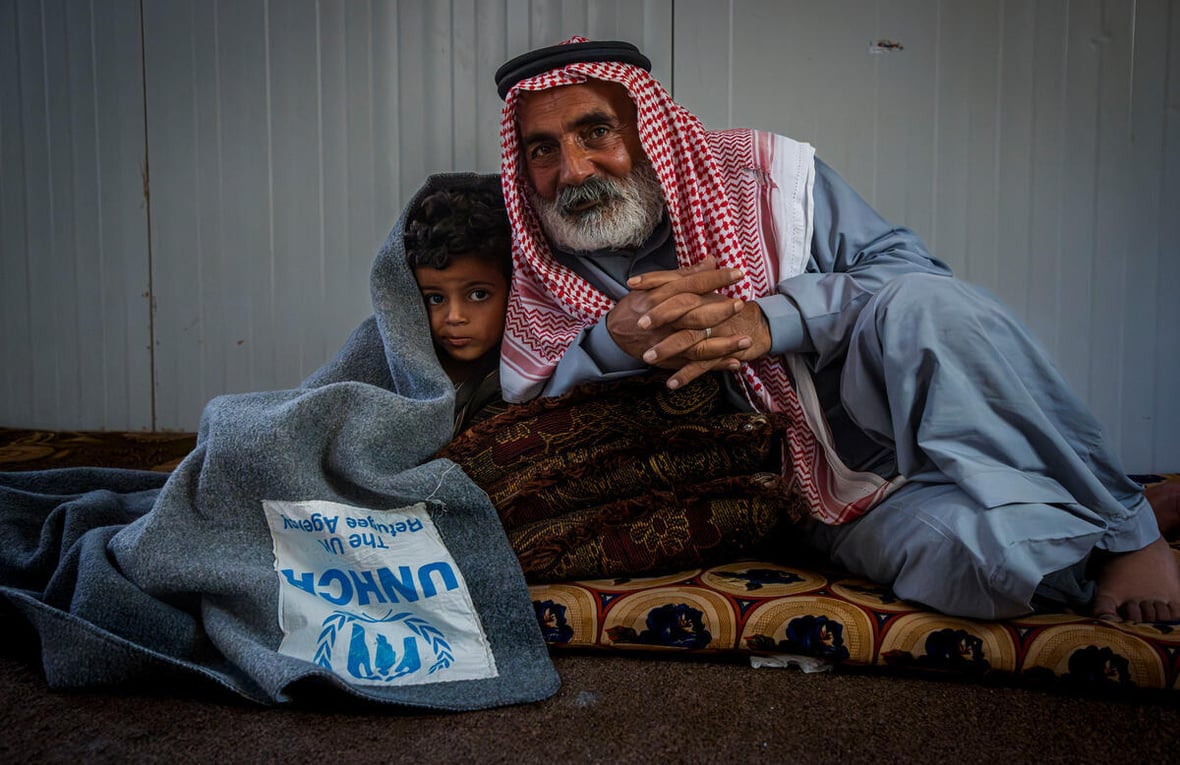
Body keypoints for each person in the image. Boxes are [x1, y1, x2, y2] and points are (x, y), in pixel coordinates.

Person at [490, 36, 1180, 623]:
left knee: (927, 309)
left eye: (595, 132)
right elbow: (529, 406)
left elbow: (915, 273)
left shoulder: (764, 176)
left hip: (889, 406)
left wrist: (772, 320)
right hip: (819, 503)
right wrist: (615, 339)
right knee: (988, 562)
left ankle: (1131, 528)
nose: (572, 171)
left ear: (647, 129)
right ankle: (1096, 524)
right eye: (543, 150)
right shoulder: (543, 258)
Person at [404, 183, 513, 435]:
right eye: (434, 299)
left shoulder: (528, 376)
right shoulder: (392, 353)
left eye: (478, 294)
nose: (454, 317)